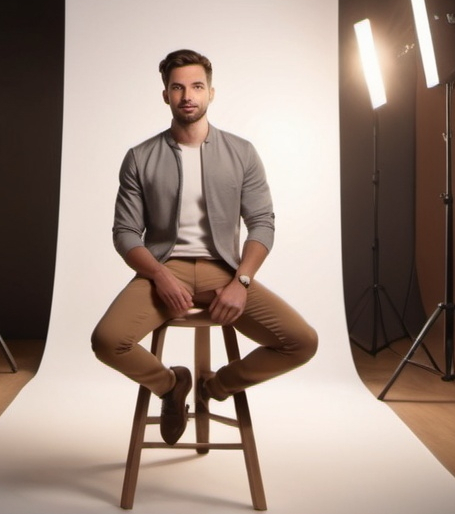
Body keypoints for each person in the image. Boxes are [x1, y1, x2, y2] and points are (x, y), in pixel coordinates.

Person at [91, 48, 319, 446]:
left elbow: (262, 223)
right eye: (177, 87)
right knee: (107, 341)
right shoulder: (140, 157)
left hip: (223, 269)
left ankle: (214, 387)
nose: (187, 96)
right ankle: (171, 385)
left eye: (197, 86)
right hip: (164, 267)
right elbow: (125, 232)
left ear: (212, 92)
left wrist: (241, 281)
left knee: (302, 341)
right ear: (165, 95)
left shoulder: (242, 152)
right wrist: (159, 276)